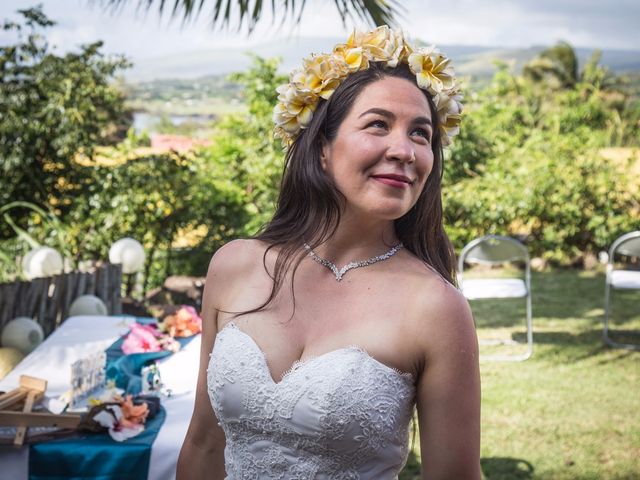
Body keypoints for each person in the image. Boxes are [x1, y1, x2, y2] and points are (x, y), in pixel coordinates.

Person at [177, 26, 480, 479]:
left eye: (421, 134)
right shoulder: (234, 266)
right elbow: (204, 441)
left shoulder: (435, 307)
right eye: (378, 124)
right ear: (322, 148)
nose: (404, 151)